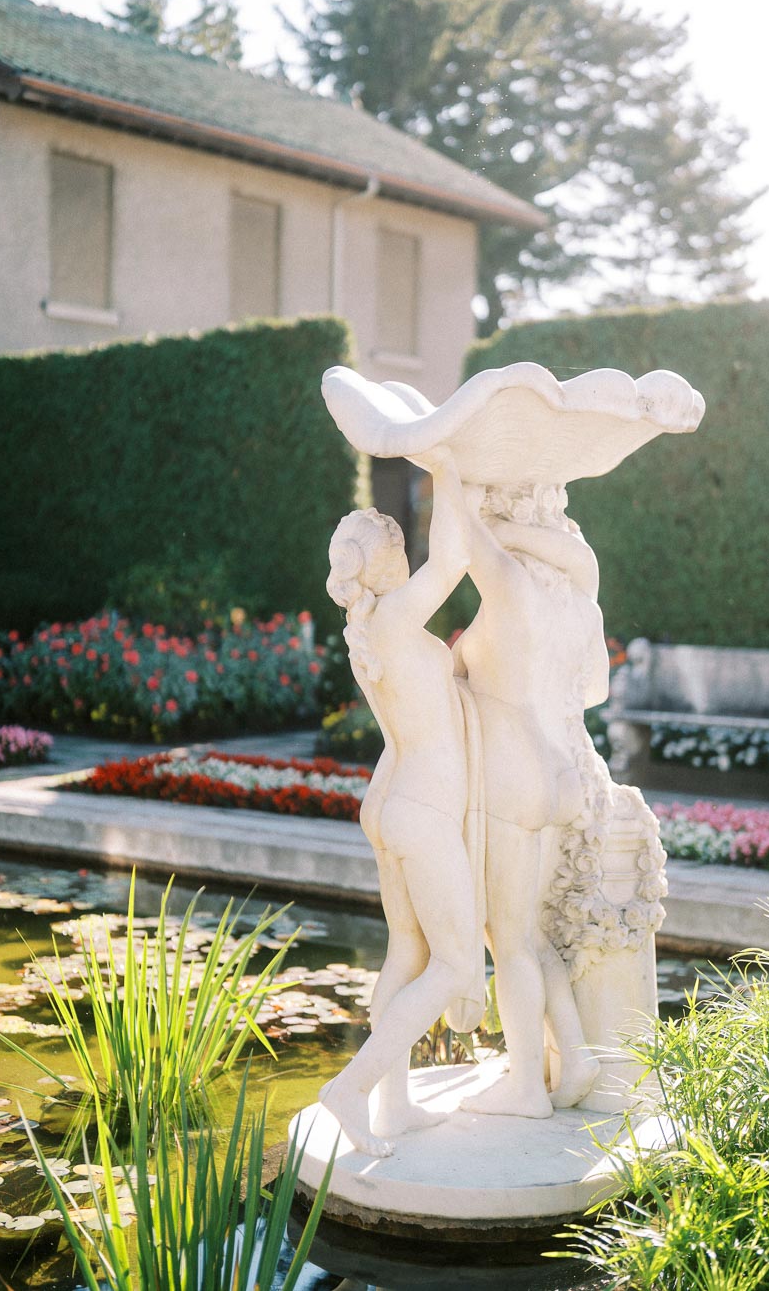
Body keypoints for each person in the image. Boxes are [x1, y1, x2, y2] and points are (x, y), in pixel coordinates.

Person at [320, 451, 479, 1157]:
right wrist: (449, 465)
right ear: (388, 562)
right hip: (422, 805)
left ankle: (395, 1105)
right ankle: (351, 1089)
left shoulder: (369, 629)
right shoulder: (393, 619)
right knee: (453, 964)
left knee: (407, 952)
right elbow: (451, 560)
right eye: (397, 544)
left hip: (390, 798)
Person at [453, 482, 607, 1118]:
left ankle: (523, 1088)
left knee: (508, 937)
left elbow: (462, 535)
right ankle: (576, 1054)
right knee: (529, 932)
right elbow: (594, 692)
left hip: (510, 775)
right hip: (559, 772)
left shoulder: (509, 591)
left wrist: (451, 473)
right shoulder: (577, 608)